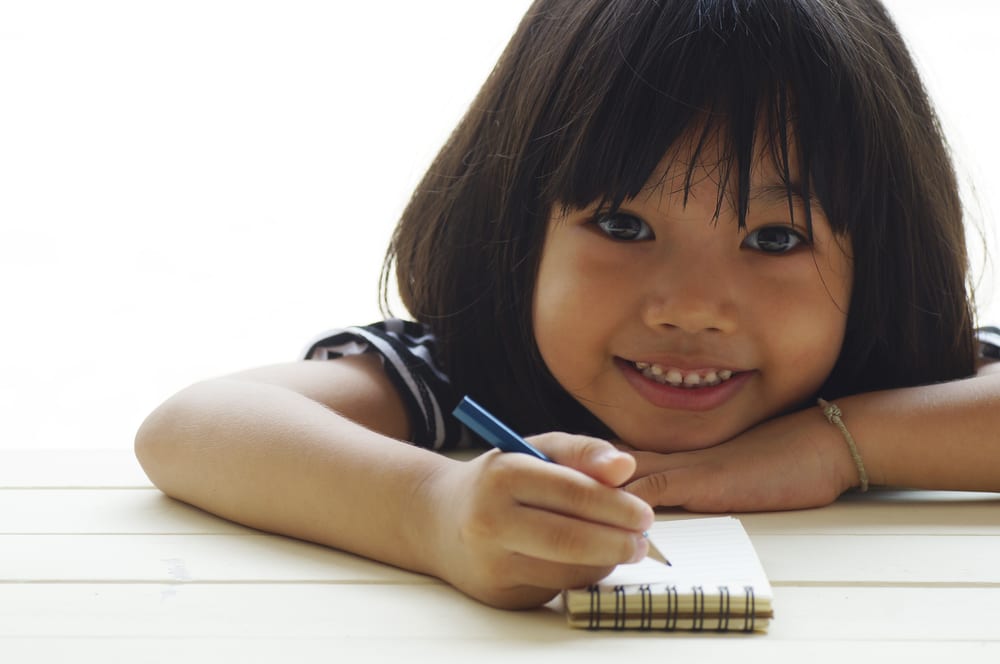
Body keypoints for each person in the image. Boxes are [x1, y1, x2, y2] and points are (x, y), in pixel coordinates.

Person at [135, 0, 1000, 610]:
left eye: (775, 240)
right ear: (518, 229)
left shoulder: (905, 374)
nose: (690, 308)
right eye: (623, 223)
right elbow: (193, 425)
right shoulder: (464, 372)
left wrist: (838, 445)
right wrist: (434, 512)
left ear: (875, 256)